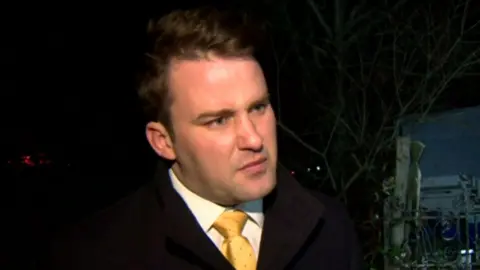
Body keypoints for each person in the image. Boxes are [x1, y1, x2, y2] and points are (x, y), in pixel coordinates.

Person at [37, 7, 362, 270]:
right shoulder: (93, 254)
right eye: (219, 120)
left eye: (258, 107)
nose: (253, 138)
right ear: (163, 141)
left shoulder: (330, 229)